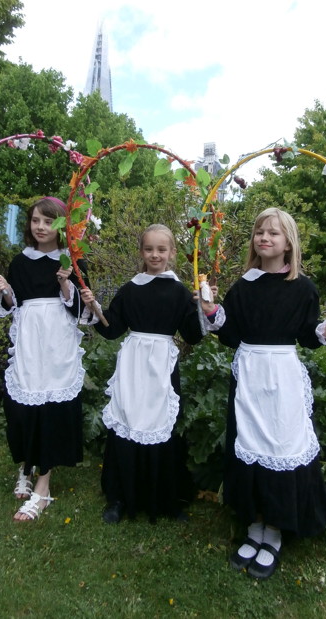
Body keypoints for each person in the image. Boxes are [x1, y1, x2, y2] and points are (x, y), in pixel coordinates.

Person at [213, 207, 326, 579]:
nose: (264, 238)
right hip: (248, 374)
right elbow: (230, 334)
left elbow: (308, 337)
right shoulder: (243, 285)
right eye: (259, 232)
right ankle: (254, 526)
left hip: (283, 378)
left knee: (280, 446)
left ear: (289, 243)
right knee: (249, 445)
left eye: (273, 233)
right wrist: (212, 311)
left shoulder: (303, 289)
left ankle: (275, 532)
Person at [80, 224, 217, 524]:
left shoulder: (180, 292)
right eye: (149, 249)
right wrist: (94, 307)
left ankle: (166, 499)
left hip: (163, 367)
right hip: (132, 364)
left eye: (161, 249)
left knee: (163, 426)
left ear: (171, 253)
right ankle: (119, 497)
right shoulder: (130, 289)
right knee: (126, 420)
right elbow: (112, 328)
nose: (155, 255)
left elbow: (192, 336)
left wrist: (201, 309)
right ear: (141, 252)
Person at [0, 197, 88, 521]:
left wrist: (64, 281)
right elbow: (13, 305)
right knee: (21, 407)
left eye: (48, 221)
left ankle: (43, 488)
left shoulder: (72, 260)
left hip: (57, 342)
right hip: (29, 341)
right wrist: (5, 289)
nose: (41, 227)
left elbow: (81, 311)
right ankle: (27, 466)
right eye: (35, 221)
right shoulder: (20, 262)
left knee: (50, 408)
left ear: (62, 225)